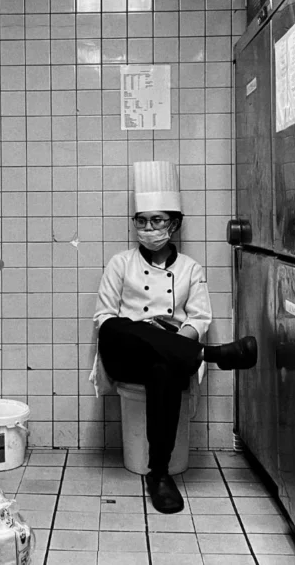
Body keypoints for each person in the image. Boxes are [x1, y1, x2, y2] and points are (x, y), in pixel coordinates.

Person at [90, 161, 258, 514]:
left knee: (163, 368)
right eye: (141, 221)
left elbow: (199, 317)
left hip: (170, 356)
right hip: (125, 353)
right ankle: (212, 354)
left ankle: (159, 474)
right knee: (114, 327)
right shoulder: (120, 263)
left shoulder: (190, 269)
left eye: (157, 221)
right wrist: (147, 332)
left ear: (174, 224)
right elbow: (104, 317)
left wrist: (174, 338)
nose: (148, 229)